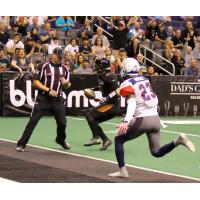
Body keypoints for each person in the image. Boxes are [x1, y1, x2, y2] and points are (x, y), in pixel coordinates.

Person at [108, 57, 195, 177]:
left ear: (125, 69)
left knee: (119, 140)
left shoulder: (126, 83)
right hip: (155, 119)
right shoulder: (145, 79)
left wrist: (126, 121)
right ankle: (177, 141)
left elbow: (133, 103)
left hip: (143, 120)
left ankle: (123, 171)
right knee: (156, 152)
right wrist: (132, 120)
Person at [16, 47, 71, 152]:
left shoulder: (64, 69)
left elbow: (68, 85)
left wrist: (66, 83)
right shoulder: (44, 66)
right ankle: (21, 143)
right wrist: (48, 90)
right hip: (43, 98)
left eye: (61, 57)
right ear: (53, 55)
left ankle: (60, 140)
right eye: (58, 56)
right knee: (33, 121)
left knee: (62, 123)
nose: (59, 59)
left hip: (57, 99)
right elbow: (35, 82)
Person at [84, 58, 120, 150]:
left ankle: (96, 138)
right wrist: (93, 89)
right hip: (109, 104)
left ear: (102, 66)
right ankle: (105, 140)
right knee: (93, 120)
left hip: (112, 105)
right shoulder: (103, 75)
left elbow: (117, 90)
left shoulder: (110, 76)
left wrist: (106, 98)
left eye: (97, 65)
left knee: (89, 114)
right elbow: (102, 86)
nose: (96, 67)